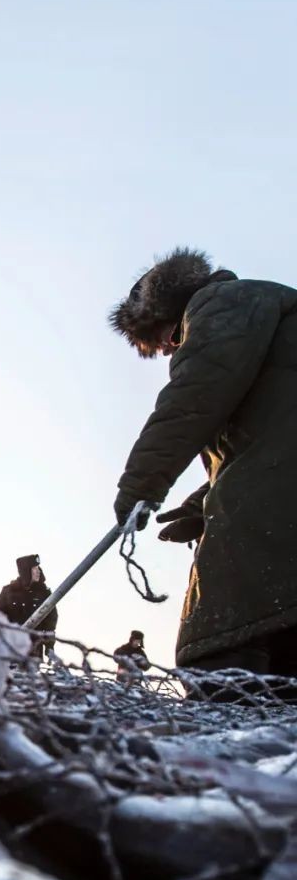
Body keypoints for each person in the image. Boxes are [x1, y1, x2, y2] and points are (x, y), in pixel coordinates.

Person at [111, 246, 297, 677]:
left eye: (166, 342)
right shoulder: (263, 309)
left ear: (169, 315)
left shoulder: (221, 304)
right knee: (281, 636)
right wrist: (202, 499)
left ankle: (229, 723)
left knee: (218, 638)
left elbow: (191, 401)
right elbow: (270, 429)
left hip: (278, 500)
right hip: (280, 482)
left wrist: (139, 487)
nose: (167, 353)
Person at [0, 555, 58, 656]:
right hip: (11, 650)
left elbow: (51, 623)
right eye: (34, 568)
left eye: (38, 568)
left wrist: (49, 647)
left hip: (34, 651)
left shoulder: (44, 594)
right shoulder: (8, 591)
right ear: (26, 571)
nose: (38, 571)